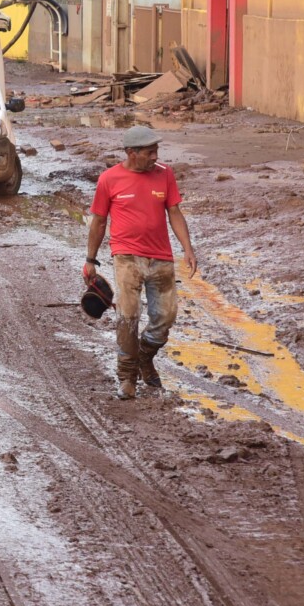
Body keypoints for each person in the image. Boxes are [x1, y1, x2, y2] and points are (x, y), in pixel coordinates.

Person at [83, 125, 198, 400]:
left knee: (165, 316)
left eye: (156, 151)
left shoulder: (165, 174)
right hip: (126, 256)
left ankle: (145, 355)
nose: (155, 156)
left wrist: (188, 248)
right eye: (149, 152)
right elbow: (99, 222)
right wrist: (91, 260)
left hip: (161, 257)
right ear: (131, 153)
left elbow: (174, 212)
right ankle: (127, 376)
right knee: (128, 315)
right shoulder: (109, 180)